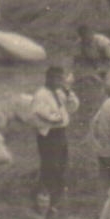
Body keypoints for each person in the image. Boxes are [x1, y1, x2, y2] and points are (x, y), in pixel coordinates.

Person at [29, 66, 79, 207]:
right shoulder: (41, 95)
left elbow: (73, 107)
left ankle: (55, 196)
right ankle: (43, 197)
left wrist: (68, 92)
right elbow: (40, 114)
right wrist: (59, 117)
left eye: (61, 79)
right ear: (49, 78)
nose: (60, 82)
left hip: (60, 134)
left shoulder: (59, 93)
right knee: (50, 166)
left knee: (61, 165)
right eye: (57, 78)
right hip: (49, 135)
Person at [73, 24, 110, 91]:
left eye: (87, 35)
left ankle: (109, 91)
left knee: (109, 84)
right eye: (83, 36)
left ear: (91, 33)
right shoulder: (79, 43)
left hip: (108, 66)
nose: (86, 39)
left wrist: (99, 69)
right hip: (92, 65)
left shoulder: (103, 41)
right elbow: (77, 60)